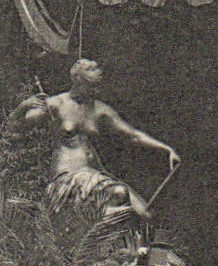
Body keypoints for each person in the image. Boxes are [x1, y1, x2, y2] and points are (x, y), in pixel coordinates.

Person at [10, 57, 180, 218]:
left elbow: (133, 135)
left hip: (96, 174)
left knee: (144, 213)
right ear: (78, 81)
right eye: (91, 87)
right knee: (119, 194)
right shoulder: (57, 104)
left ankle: (125, 244)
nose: (95, 91)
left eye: (97, 87)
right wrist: (22, 107)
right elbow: (15, 127)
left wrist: (167, 149)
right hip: (69, 175)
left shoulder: (100, 110)